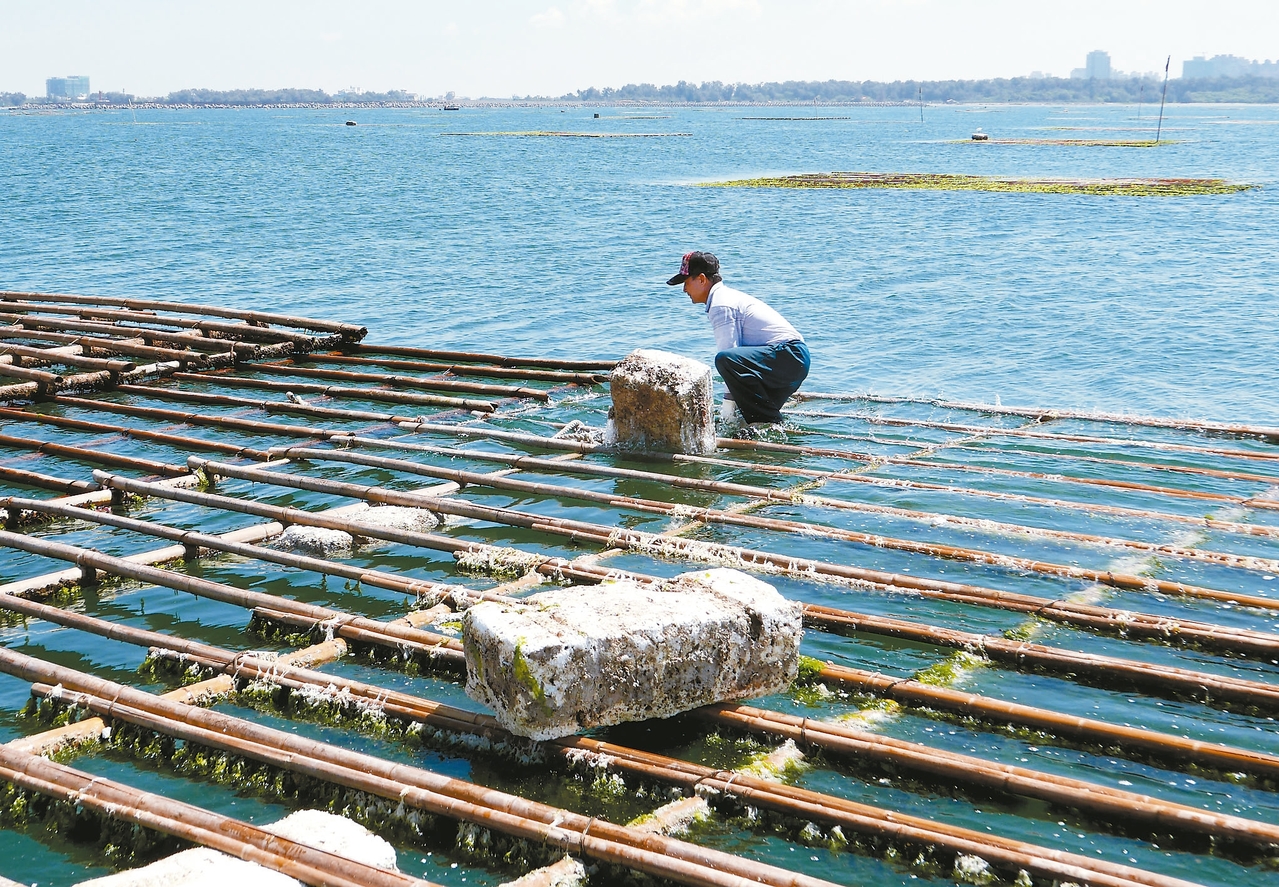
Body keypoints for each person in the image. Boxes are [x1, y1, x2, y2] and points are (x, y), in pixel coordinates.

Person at [667, 251, 810, 426]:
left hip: (788, 356)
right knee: (754, 422)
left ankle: (766, 425)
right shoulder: (725, 297)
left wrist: (728, 403)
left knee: (724, 359)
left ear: (702, 279)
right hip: (791, 360)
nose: (684, 289)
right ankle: (766, 427)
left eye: (686, 282)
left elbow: (729, 355)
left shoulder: (721, 304)